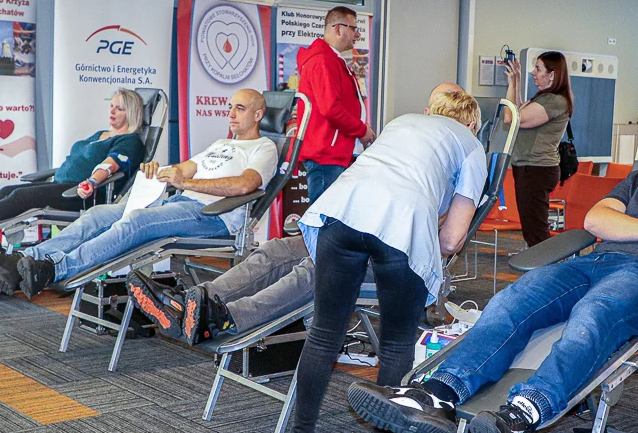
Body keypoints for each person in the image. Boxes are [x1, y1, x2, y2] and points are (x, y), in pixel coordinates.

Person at [346, 104, 638, 433]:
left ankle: (522, 415)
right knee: (513, 300)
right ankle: (437, 394)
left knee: (594, 313)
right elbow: (597, 220)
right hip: (592, 263)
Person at [125, 84, 474, 350]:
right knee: (277, 250)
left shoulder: (463, 157)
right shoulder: (406, 145)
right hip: (358, 232)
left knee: (318, 268)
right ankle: (193, 302)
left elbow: (448, 242)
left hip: (398, 257)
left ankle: (225, 318)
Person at [279, 89, 487, 433]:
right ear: (472, 123)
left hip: (340, 209)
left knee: (323, 336)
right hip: (402, 223)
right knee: (395, 345)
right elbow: (451, 240)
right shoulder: (472, 145)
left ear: (430, 112)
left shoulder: (401, 121)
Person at [0, 89, 278, 299]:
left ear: (258, 114)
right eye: (230, 107)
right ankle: (26, 259)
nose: (231, 114)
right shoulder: (220, 144)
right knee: (97, 215)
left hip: (212, 216)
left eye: (240, 108)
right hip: (179, 203)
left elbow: (245, 185)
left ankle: (53, 269)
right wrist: (162, 170)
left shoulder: (264, 148)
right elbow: (182, 169)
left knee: (137, 221)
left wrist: (187, 183)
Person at [0, 88, 146, 243]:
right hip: (61, 185)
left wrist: (92, 181)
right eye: (111, 105)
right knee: (7, 191)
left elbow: (110, 165)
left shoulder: (129, 140)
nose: (112, 111)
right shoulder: (101, 134)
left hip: (81, 194)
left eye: (120, 108)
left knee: (21, 198)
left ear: (132, 113)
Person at [297, 5, 376, 203]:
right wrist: (361, 130)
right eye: (353, 28)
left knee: (330, 213)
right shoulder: (323, 60)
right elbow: (330, 109)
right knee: (326, 215)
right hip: (327, 155)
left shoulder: (330, 59)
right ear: (338, 29)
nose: (357, 35)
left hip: (332, 151)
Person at [501, 51, 574, 247]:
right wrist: (515, 80)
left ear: (552, 74)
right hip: (529, 168)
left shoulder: (554, 101)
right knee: (532, 228)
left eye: (538, 69)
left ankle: (543, 264)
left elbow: (510, 118)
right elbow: (517, 110)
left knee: (535, 232)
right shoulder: (544, 98)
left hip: (536, 169)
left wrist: (511, 85)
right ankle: (540, 262)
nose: (533, 72)